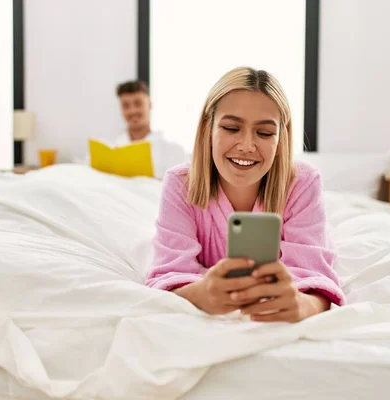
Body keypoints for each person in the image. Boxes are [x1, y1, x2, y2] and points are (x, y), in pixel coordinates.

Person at [145, 67, 345, 322]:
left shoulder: (303, 183)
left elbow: (313, 277)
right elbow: (168, 273)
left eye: (264, 133)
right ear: (208, 129)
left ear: (280, 140)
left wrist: (304, 305)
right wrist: (200, 294)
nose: (247, 146)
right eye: (231, 128)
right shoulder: (179, 183)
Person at [74, 80, 190, 179]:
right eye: (126, 105)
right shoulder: (111, 148)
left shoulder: (173, 151)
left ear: (149, 104)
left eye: (138, 103)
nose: (132, 111)